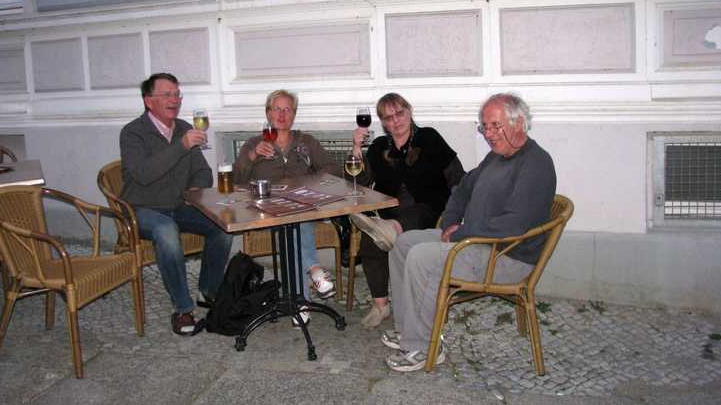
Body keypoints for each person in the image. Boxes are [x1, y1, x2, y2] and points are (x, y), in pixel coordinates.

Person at [381, 93, 557, 372]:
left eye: (495, 126)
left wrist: (462, 232)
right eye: (484, 126)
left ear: (519, 123)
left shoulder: (536, 164)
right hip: (476, 242)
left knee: (423, 258)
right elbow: (463, 188)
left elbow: (515, 224)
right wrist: (449, 220)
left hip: (506, 256)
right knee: (403, 243)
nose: (488, 134)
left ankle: (424, 347)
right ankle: (408, 330)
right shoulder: (496, 157)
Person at [120, 73, 234, 336]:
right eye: (167, 95)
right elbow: (144, 174)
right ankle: (183, 308)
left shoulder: (184, 128)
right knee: (166, 231)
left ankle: (210, 290)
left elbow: (203, 173)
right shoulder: (133, 133)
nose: (175, 100)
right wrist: (181, 146)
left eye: (177, 94)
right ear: (149, 101)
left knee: (222, 224)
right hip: (142, 209)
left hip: (177, 205)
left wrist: (193, 190)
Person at [346, 93, 465, 329]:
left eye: (399, 113)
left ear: (409, 111)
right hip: (389, 210)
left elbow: (457, 178)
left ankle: (387, 230)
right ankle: (381, 306)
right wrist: (356, 147)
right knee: (372, 240)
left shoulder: (429, 137)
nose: (396, 121)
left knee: (411, 216)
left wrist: (459, 214)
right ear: (383, 122)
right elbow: (359, 181)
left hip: (429, 209)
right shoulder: (380, 146)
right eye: (389, 118)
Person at [233, 89, 341, 325]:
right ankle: (314, 270)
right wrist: (252, 156)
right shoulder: (254, 143)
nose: (282, 114)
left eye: (287, 109)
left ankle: (300, 301)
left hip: (302, 206)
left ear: (294, 114)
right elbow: (236, 180)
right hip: (265, 208)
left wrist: (309, 180)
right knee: (292, 222)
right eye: (277, 109)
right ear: (268, 113)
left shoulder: (307, 142)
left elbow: (333, 169)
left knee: (295, 219)